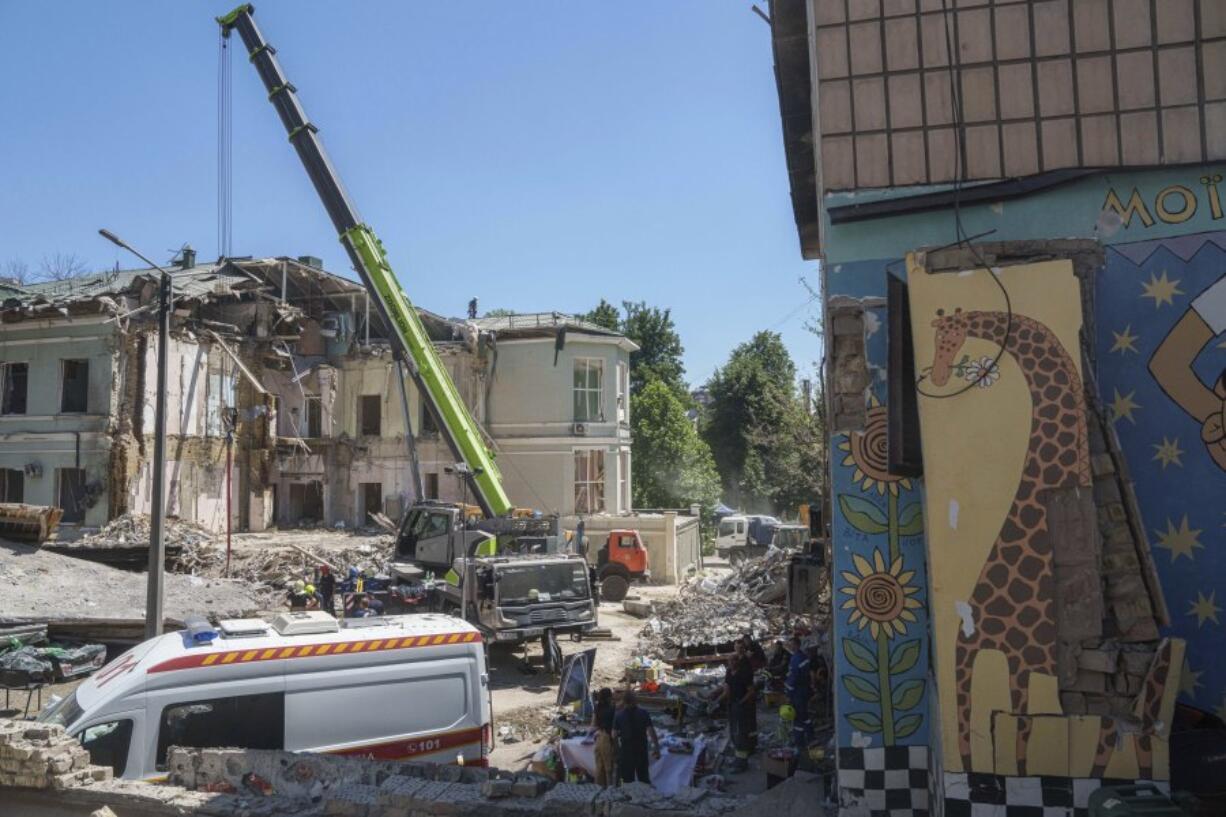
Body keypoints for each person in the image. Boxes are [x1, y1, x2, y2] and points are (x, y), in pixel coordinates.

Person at [712, 654, 756, 772]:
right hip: (731, 705)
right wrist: (716, 699)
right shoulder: (728, 673)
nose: (730, 663)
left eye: (732, 661)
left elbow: (751, 691)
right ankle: (737, 758)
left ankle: (742, 763)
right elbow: (727, 689)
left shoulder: (744, 674)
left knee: (740, 732)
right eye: (728, 661)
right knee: (733, 731)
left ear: (737, 662)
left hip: (741, 706)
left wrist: (741, 702)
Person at [612, 689, 659, 784]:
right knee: (644, 778)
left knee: (627, 780)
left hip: (626, 751)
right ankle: (646, 797)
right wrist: (656, 747)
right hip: (641, 749)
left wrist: (617, 751)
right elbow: (651, 731)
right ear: (635, 700)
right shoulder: (643, 713)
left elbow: (614, 735)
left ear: (624, 701)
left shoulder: (619, 716)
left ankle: (629, 797)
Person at [785, 636, 812, 751]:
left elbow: (794, 677)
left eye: (791, 644)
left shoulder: (796, 658)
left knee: (798, 717)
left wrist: (788, 692)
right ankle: (811, 737)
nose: (790, 646)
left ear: (797, 645)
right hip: (804, 690)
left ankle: (799, 742)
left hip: (798, 692)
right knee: (805, 716)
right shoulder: (803, 657)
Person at [590, 688, 616, 788]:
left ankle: (598, 789)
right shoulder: (612, 709)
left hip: (598, 737)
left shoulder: (597, 707)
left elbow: (592, 725)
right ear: (609, 697)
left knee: (599, 766)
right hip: (606, 738)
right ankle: (609, 791)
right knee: (608, 767)